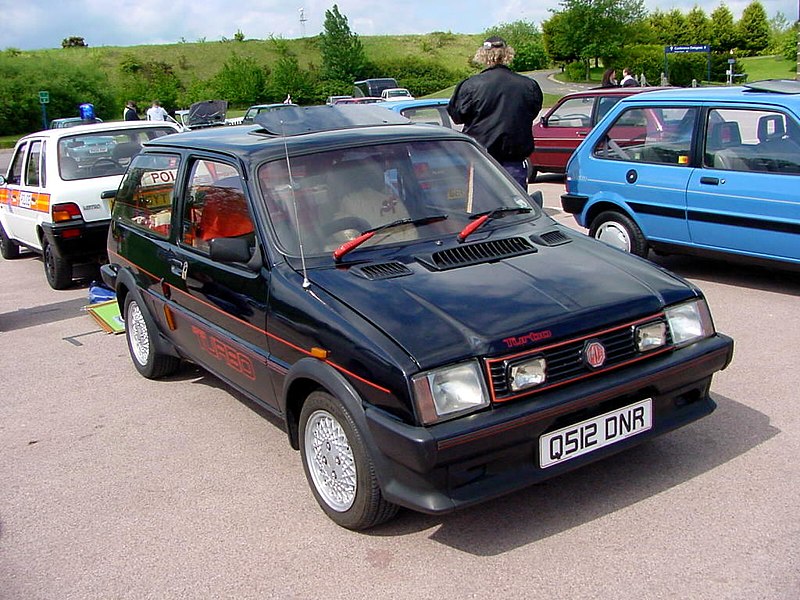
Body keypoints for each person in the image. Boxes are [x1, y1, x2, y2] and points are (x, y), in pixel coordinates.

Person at [447, 36, 543, 189]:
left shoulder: (471, 85)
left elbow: (457, 116)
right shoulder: (528, 85)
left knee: (481, 209)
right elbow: (532, 112)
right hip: (513, 163)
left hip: (481, 161)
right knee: (516, 208)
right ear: (507, 54)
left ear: (482, 55)